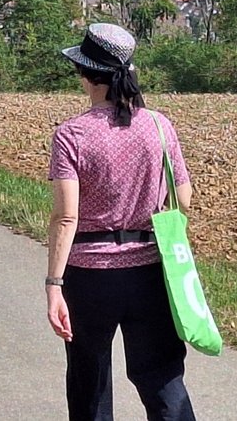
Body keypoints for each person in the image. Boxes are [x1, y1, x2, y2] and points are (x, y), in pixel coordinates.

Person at [46, 22, 198, 421]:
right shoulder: (159, 126)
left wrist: (54, 284)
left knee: (89, 383)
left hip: (89, 274)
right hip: (149, 268)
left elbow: (66, 217)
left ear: (85, 73)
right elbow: (183, 198)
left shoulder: (71, 135)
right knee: (161, 376)